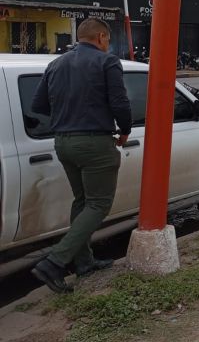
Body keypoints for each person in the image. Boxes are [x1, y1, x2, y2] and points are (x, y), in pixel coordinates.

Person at [30, 18, 132, 293]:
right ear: (100, 37)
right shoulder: (106, 62)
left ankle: (84, 263)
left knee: (83, 200)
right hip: (94, 143)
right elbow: (119, 101)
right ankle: (54, 262)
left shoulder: (55, 64)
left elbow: (38, 104)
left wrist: (69, 116)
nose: (108, 45)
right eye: (107, 40)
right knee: (99, 204)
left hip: (63, 142)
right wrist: (125, 129)